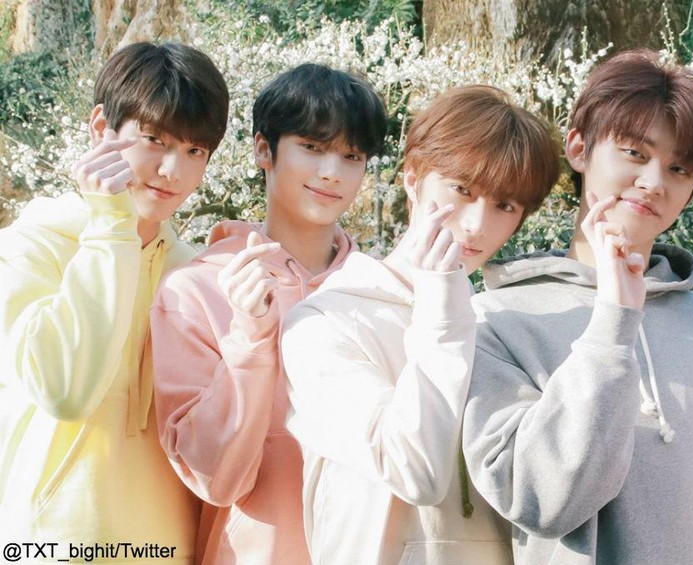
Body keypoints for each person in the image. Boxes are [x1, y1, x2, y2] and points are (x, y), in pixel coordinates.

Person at [461, 49, 693, 564]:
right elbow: (541, 500)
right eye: (635, 154)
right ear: (579, 148)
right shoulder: (499, 320)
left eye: (679, 168)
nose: (654, 182)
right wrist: (613, 324)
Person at [281, 85, 560, 564]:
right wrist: (441, 305)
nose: (476, 224)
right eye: (462, 190)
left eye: (505, 206)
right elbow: (415, 470)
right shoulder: (324, 322)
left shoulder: (501, 326)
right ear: (413, 178)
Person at [150, 63, 387, 564]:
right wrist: (250, 341)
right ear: (264, 149)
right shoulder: (196, 290)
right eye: (312, 147)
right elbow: (216, 478)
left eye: (351, 156)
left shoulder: (380, 291)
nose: (332, 172)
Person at [0, 42, 228, 561]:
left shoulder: (193, 273)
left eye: (195, 151)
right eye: (155, 140)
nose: (172, 170)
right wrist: (110, 227)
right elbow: (66, 392)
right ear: (102, 128)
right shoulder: (27, 250)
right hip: (50, 545)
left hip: (166, 546)